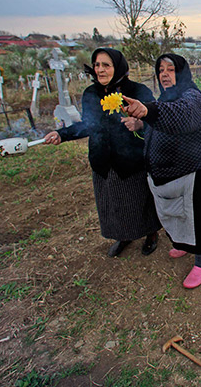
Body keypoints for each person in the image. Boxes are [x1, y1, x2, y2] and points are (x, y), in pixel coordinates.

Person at [44, 48, 161, 258]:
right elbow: (88, 125)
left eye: (106, 65)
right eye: (97, 65)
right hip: (103, 159)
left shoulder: (137, 91)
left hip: (131, 160)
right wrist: (62, 134)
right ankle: (124, 235)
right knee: (114, 203)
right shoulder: (91, 94)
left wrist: (140, 123)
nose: (100, 70)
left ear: (118, 67)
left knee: (139, 200)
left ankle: (151, 233)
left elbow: (156, 118)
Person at [122, 53, 201, 289]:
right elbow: (163, 121)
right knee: (175, 216)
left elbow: (179, 117)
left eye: (171, 69)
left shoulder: (192, 98)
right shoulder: (165, 97)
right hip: (168, 174)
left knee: (196, 220)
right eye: (161, 70)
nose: (164, 74)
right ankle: (183, 245)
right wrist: (142, 123)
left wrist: (147, 112)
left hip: (192, 173)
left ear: (182, 72)